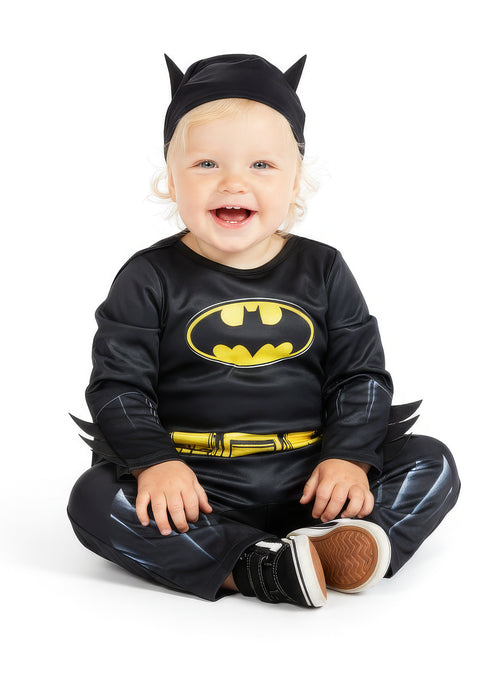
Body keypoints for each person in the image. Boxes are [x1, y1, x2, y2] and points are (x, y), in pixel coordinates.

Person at [67, 53, 460, 608]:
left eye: (261, 165)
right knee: (95, 499)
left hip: (314, 481)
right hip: (197, 487)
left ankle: (346, 543)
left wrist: (349, 458)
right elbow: (118, 387)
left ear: (295, 180)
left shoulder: (323, 269)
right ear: (170, 180)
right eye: (206, 164)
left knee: (431, 461)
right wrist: (156, 463)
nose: (233, 181)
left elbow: (360, 376)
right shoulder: (149, 277)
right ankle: (255, 567)